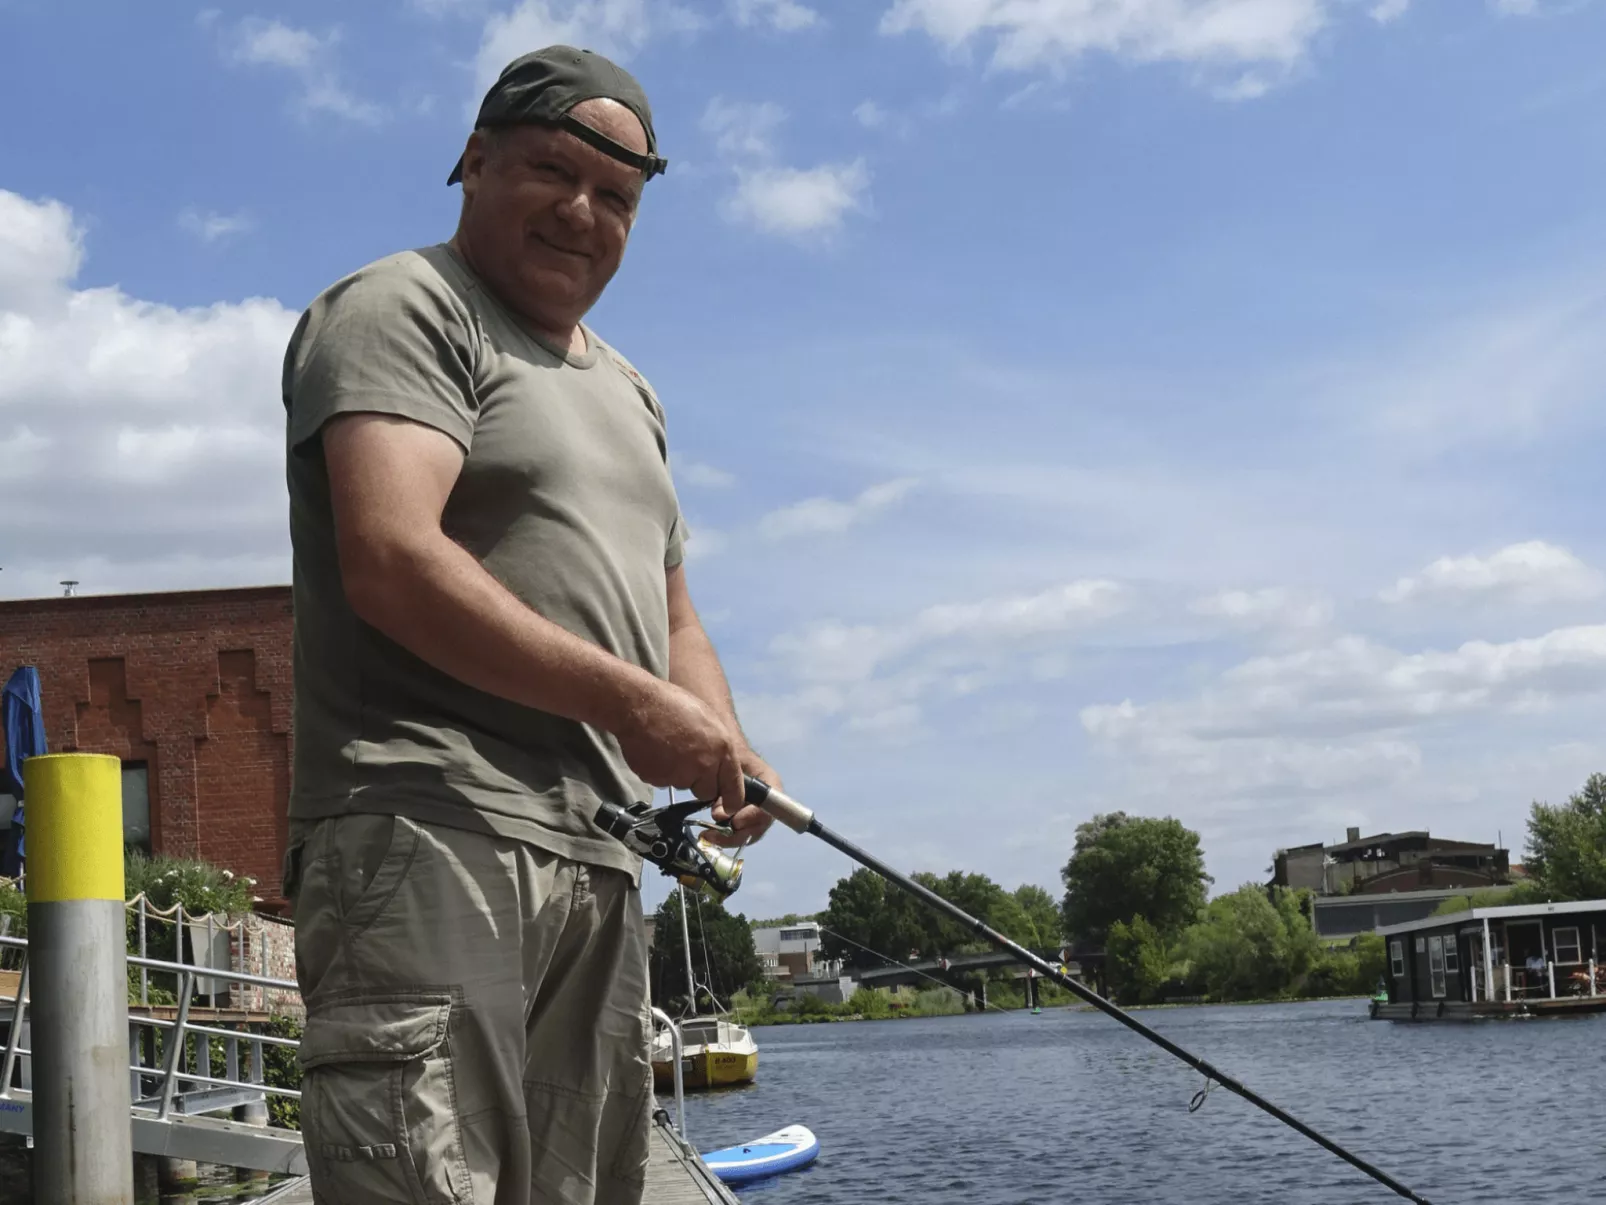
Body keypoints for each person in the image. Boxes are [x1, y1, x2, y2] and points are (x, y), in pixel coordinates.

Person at [279, 45, 781, 1205]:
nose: (582, 212)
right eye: (554, 171)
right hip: (428, 823)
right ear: (472, 159)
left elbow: (672, 612)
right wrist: (631, 702)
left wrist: (725, 739)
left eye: (617, 196)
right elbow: (392, 559)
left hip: (597, 855)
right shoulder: (404, 306)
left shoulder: (631, 389)